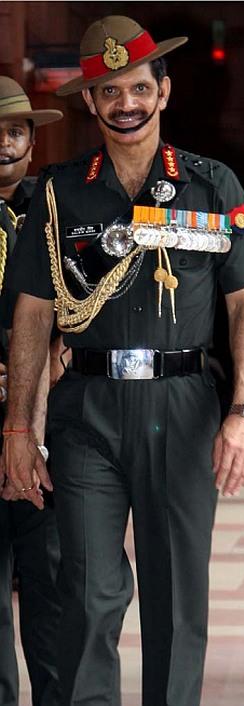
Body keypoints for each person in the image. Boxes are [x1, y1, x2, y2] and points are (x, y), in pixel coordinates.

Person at [1, 15, 244, 706]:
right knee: (88, 591)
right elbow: (34, 315)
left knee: (177, 596)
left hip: (182, 405)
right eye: (109, 92)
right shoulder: (60, 195)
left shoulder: (213, 186)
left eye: (137, 87)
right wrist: (16, 431)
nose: (126, 103)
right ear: (89, 104)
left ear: (164, 91)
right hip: (86, 413)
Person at [0, 76, 62, 706]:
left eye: (16, 131)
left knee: (49, 583)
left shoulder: (56, 209)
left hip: (45, 426)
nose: (6, 144)